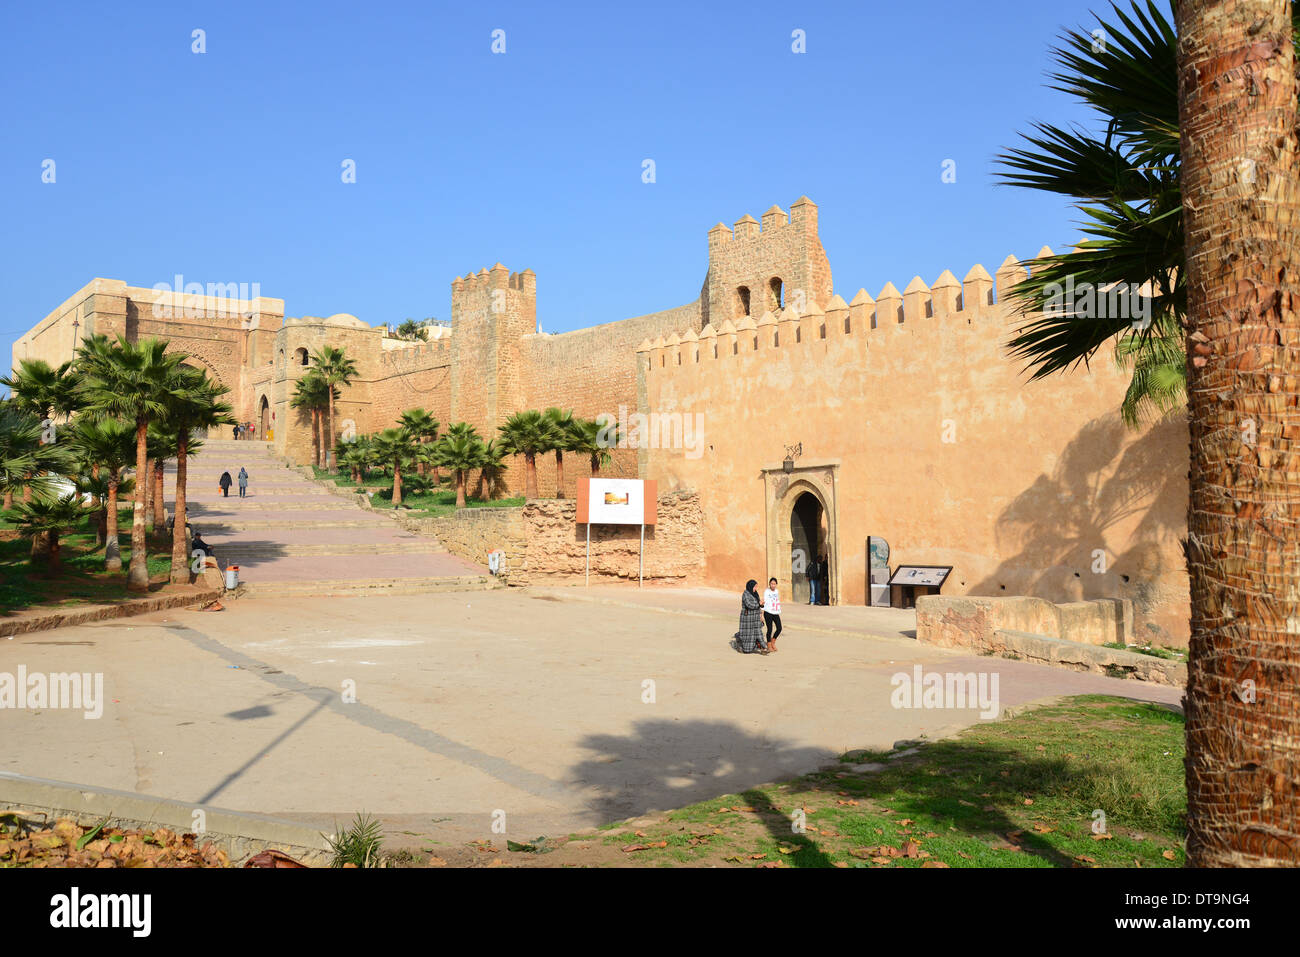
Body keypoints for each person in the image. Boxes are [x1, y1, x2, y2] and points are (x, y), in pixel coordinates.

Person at [734, 579, 769, 654]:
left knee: (758, 631)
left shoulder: (755, 593)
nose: (756, 588)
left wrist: (761, 612)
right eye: (755, 587)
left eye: (756, 587)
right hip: (747, 618)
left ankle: (764, 647)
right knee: (747, 646)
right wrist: (759, 604)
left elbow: (758, 604)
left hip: (755, 618)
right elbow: (749, 605)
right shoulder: (745, 594)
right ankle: (739, 638)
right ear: (751, 586)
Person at [762, 577, 783, 652]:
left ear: (776, 584)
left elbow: (777, 601)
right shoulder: (766, 591)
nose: (773, 585)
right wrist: (762, 614)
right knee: (770, 629)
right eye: (771, 584)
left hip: (775, 612)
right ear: (769, 584)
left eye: (774, 584)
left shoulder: (777, 591)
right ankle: (769, 645)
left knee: (779, 628)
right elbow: (763, 602)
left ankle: (773, 641)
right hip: (768, 612)